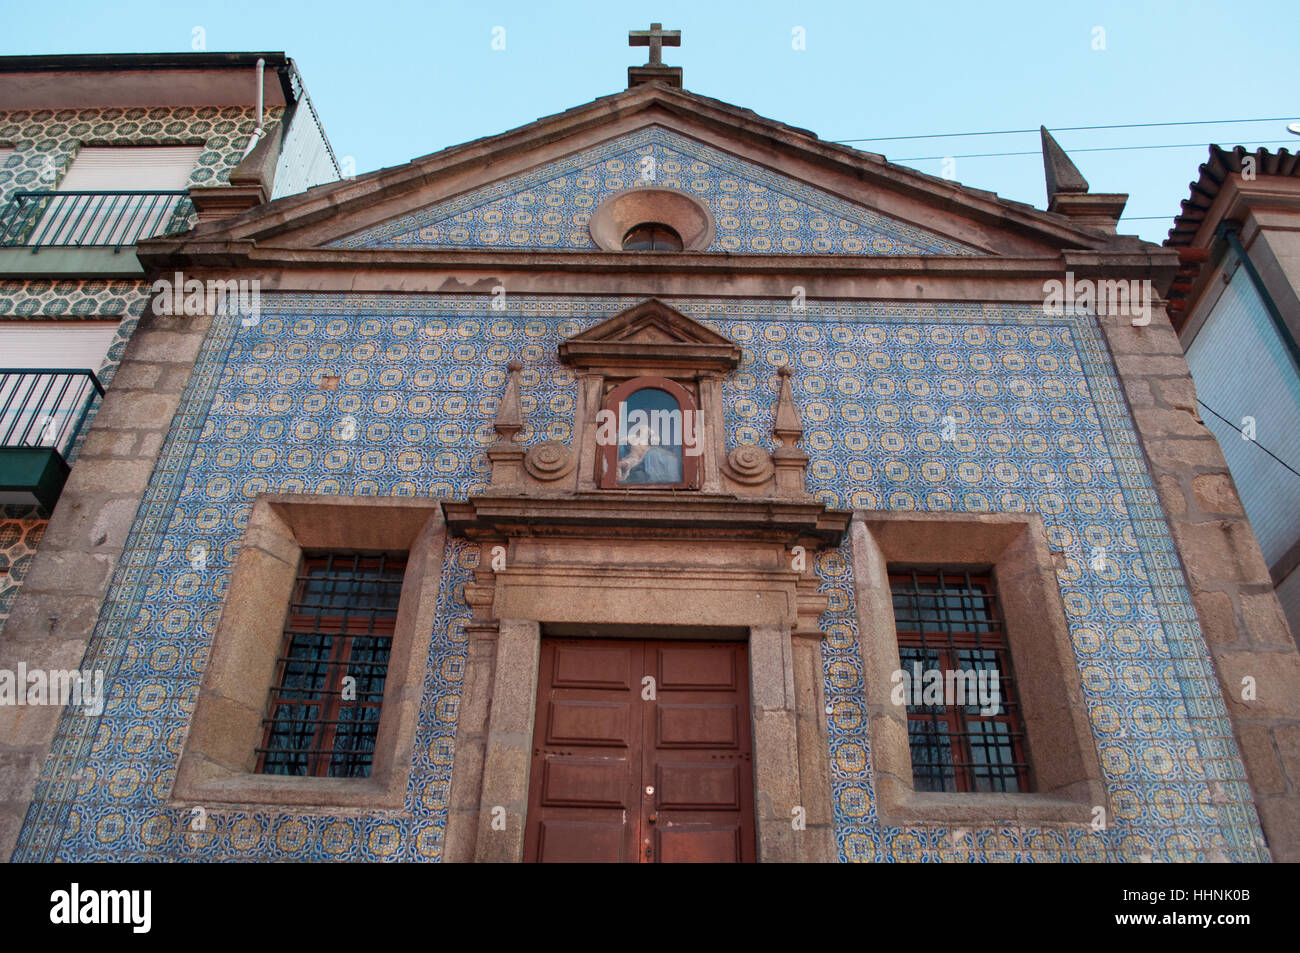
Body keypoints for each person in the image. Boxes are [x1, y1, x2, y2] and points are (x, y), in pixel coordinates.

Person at [616, 421, 682, 484]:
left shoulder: (652, 449)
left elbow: (661, 451)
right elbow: (620, 441)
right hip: (632, 462)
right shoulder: (632, 440)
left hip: (638, 465)